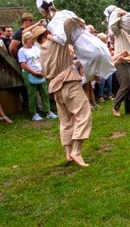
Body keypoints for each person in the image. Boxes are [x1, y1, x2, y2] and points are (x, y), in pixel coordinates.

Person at [33, 25, 92, 167]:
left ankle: (68, 152)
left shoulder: (42, 50)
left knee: (65, 120)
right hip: (69, 83)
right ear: (47, 33)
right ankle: (76, 152)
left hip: (55, 87)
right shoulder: (57, 42)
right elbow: (66, 25)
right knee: (83, 114)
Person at [17, 31, 58, 121]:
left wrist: (43, 70)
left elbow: (42, 59)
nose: (33, 40)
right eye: (31, 39)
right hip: (29, 73)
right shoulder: (21, 51)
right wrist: (34, 73)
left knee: (45, 92)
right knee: (32, 94)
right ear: (26, 39)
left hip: (41, 72)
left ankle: (48, 111)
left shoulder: (36, 48)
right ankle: (34, 113)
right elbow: (23, 64)